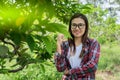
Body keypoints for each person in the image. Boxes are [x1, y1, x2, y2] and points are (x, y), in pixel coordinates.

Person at [54, 13, 100, 80]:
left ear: (86, 27)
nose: (77, 28)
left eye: (80, 25)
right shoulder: (65, 45)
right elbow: (60, 68)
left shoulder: (93, 43)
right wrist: (58, 45)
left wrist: (70, 71)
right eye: (74, 25)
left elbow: (92, 66)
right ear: (70, 27)